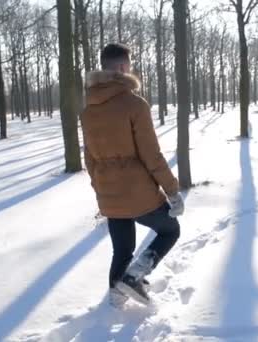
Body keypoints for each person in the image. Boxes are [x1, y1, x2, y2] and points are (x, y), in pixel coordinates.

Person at [81, 43, 184, 306]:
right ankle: (134, 276)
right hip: (138, 193)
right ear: (123, 67)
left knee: (122, 249)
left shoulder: (88, 110)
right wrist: (172, 190)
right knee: (170, 230)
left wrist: (100, 186)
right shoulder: (135, 104)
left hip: (107, 192)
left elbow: (89, 158)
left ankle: (115, 298)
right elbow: (152, 155)